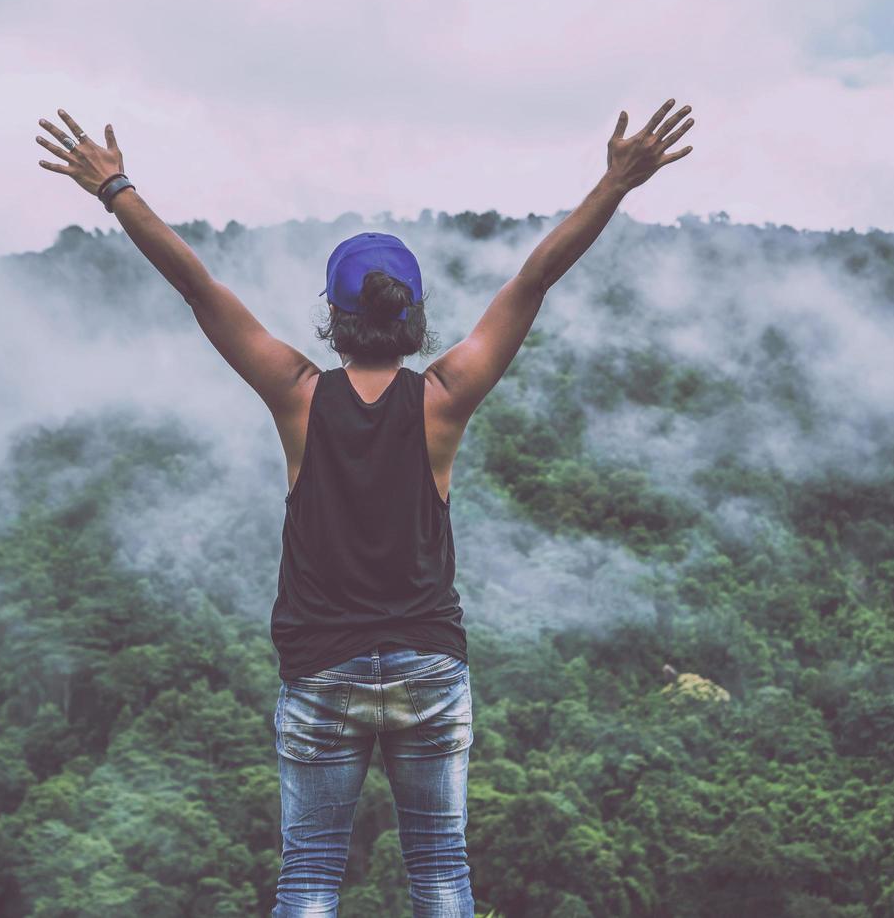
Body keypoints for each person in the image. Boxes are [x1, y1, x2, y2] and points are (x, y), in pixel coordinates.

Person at [35, 99, 696, 916]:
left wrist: (118, 190)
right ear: (412, 319)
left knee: (311, 875)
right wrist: (614, 184)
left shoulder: (298, 396)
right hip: (427, 661)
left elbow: (196, 286)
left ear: (335, 319)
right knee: (442, 874)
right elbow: (534, 280)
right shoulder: (445, 398)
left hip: (321, 667)